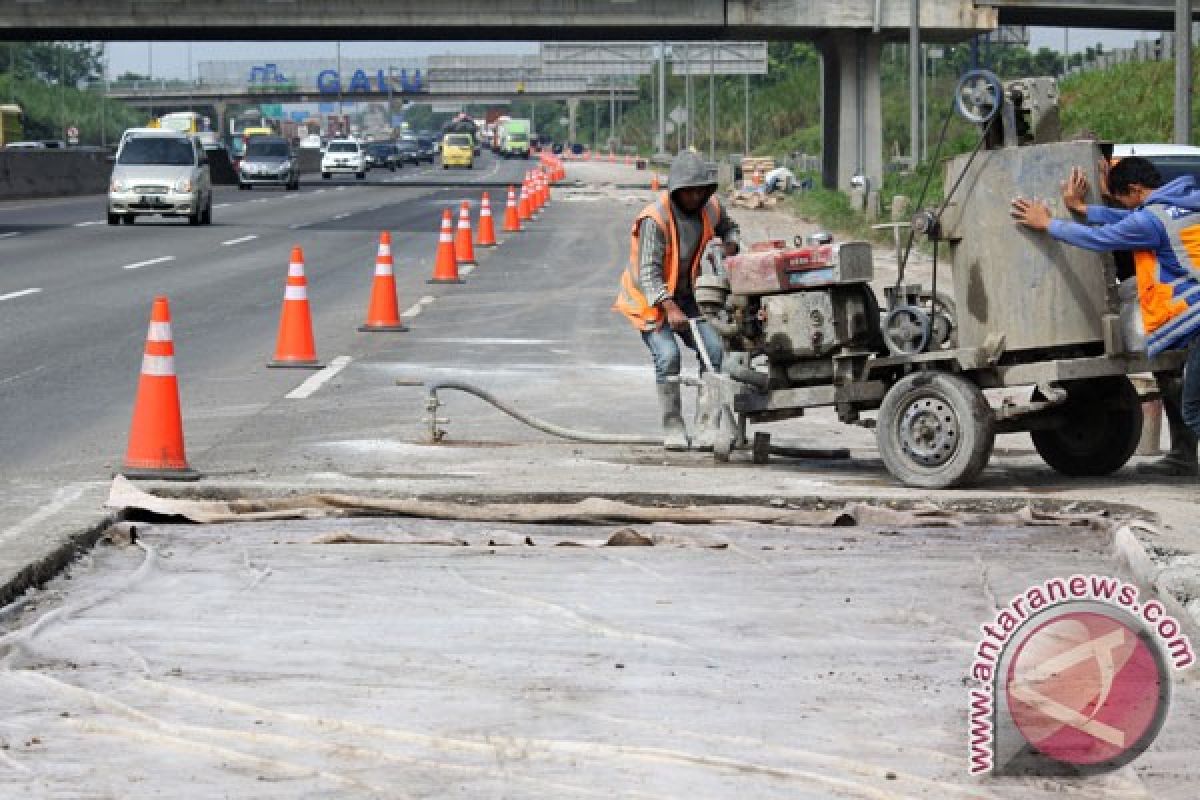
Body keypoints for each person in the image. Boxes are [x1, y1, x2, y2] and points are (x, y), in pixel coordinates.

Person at [1011, 156, 1200, 476]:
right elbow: (1130, 218)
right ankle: (1183, 457)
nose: (1122, 206)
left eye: (1121, 198)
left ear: (1136, 190)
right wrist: (1086, 210)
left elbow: (1103, 238)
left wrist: (1049, 224)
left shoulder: (1149, 222)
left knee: (1194, 409)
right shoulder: (1187, 202)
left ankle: (1184, 457)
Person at [614, 150, 740, 450]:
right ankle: (672, 424)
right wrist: (668, 307)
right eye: (689, 191)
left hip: (687, 295)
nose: (695, 196)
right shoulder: (654, 219)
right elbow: (648, 272)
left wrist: (729, 245)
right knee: (668, 356)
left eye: (700, 190)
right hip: (649, 300)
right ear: (676, 191)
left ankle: (707, 425)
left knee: (714, 352)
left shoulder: (711, 209)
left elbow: (731, 228)